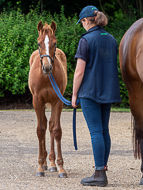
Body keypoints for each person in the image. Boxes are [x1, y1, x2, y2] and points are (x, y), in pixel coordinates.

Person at [72, 5, 121, 187]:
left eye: (82, 22)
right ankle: (102, 170)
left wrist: (74, 94)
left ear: (86, 21)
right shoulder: (112, 39)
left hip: (90, 93)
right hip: (107, 92)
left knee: (95, 132)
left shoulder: (85, 40)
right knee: (104, 131)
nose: (82, 26)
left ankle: (99, 174)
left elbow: (79, 72)